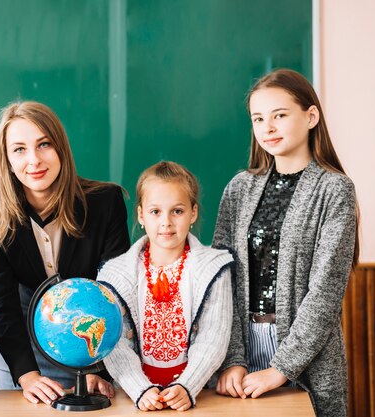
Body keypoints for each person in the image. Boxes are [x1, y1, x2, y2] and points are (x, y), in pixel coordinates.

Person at [213, 69, 359, 416]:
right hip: (242, 347)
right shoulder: (239, 189)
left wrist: (282, 367)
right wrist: (232, 358)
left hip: (308, 353)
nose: (268, 127)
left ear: (311, 116)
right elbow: (222, 280)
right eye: (259, 119)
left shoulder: (334, 190)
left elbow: (326, 290)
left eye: (280, 115)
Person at [0, 101, 130, 405]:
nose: (33, 160)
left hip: (89, 332)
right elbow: (0, 300)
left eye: (44, 144)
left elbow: (118, 294)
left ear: (60, 148)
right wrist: (26, 375)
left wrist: (97, 367)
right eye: (19, 149)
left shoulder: (105, 202)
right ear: (6, 159)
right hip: (20, 337)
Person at [98, 161, 234, 411]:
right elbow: (115, 343)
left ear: (193, 213)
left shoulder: (213, 268)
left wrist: (187, 386)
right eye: (155, 211)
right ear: (140, 215)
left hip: (199, 396)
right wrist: (139, 389)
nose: (166, 222)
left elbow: (213, 337)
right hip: (134, 398)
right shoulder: (115, 274)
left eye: (177, 211)